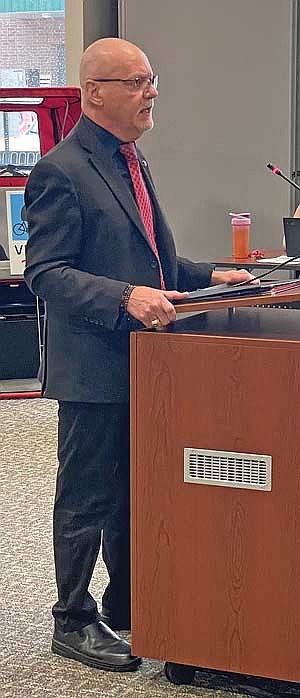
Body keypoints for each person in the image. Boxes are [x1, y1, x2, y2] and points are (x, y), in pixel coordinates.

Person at [24, 37, 253, 673]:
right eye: (136, 82)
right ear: (94, 93)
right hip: (93, 365)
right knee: (89, 493)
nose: (150, 93)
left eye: (151, 81)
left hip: (148, 365)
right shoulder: (59, 171)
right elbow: (46, 273)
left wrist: (213, 275)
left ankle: (127, 604)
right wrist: (124, 296)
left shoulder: (131, 160)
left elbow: (148, 260)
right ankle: (71, 619)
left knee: (139, 489)